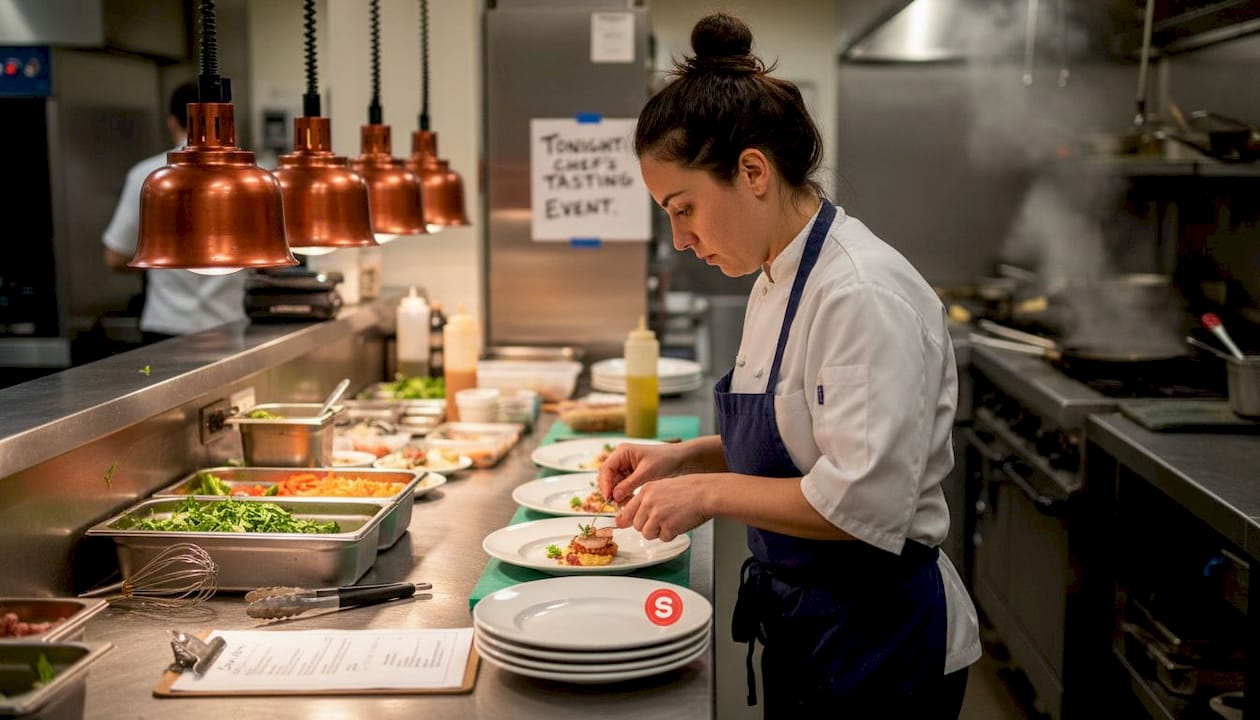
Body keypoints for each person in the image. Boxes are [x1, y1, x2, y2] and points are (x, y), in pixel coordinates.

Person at [597, 13, 980, 717]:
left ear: (752, 171)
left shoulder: (859, 292)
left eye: (684, 209)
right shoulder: (777, 275)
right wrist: (683, 459)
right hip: (810, 624)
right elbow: (801, 435)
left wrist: (707, 497)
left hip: (880, 641)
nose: (681, 239)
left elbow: (861, 499)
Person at [102, 81, 248, 343]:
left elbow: (115, 256)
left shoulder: (150, 175)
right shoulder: (252, 178)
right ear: (226, 119)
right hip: (231, 326)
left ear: (172, 122)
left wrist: (162, 258)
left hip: (166, 327)